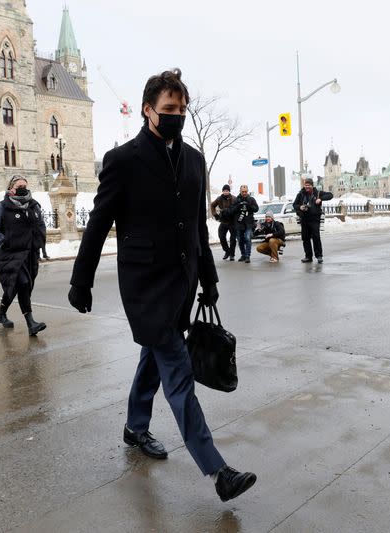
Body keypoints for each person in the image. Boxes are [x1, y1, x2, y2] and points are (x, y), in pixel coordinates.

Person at [68, 69, 256, 502]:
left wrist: (208, 280)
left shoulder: (193, 159)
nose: (177, 116)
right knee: (177, 370)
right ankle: (217, 470)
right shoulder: (123, 160)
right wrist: (82, 280)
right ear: (148, 110)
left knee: (153, 356)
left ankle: (135, 427)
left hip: (184, 282)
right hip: (144, 286)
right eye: (169, 109)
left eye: (182, 109)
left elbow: (195, 227)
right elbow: (98, 224)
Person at [0, 176, 47, 336]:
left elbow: (40, 225)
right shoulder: (1, 207)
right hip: (11, 254)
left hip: (30, 254)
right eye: (19, 186)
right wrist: (5, 243)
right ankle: (31, 323)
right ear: (11, 188)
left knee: (16, 287)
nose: (22, 188)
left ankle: (1, 314)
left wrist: (41, 243)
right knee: (23, 283)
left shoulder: (34, 206)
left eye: (25, 186)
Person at [293, 178, 333, 263]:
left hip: (315, 219)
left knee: (316, 237)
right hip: (304, 219)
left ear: (312, 185)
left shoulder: (318, 193)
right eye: (306, 185)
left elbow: (330, 195)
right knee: (305, 238)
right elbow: (294, 205)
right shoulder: (300, 194)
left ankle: (319, 256)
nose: (307, 187)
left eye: (309, 185)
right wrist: (300, 207)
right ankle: (308, 256)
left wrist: (320, 199)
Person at [227, 185, 258, 263]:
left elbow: (256, 209)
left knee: (247, 238)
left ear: (247, 191)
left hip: (248, 223)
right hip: (238, 223)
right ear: (240, 191)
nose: (244, 193)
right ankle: (243, 255)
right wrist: (238, 206)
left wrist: (249, 205)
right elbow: (230, 211)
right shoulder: (236, 200)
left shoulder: (251, 199)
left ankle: (247, 256)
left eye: (245, 191)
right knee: (240, 240)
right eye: (242, 191)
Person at [210, 184, 236, 261]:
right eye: (224, 191)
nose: (225, 192)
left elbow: (237, 208)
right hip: (224, 221)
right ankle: (227, 251)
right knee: (221, 236)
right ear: (222, 191)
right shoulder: (219, 199)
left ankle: (232, 254)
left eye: (227, 191)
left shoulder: (234, 198)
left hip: (232, 222)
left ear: (229, 191)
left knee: (233, 239)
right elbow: (212, 205)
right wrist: (215, 215)